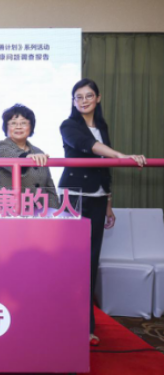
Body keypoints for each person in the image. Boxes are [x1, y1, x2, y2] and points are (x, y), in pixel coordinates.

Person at [59, 78, 146, 346]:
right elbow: (89, 146)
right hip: (74, 198)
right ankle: (63, 323)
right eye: (79, 96)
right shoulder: (68, 125)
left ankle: (85, 327)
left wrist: (108, 202)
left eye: (89, 96)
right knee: (72, 262)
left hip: (97, 199)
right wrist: (121, 155)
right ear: (73, 101)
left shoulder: (102, 126)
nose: (84, 100)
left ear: (98, 98)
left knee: (91, 261)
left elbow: (103, 168)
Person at [0, 104, 60, 209]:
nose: (18, 127)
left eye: (23, 123)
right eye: (13, 123)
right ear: (6, 127)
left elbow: (49, 189)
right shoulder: (1, 147)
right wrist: (29, 157)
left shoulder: (39, 152)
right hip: (10, 212)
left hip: (39, 213)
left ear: (31, 127)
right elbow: (17, 159)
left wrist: (55, 212)